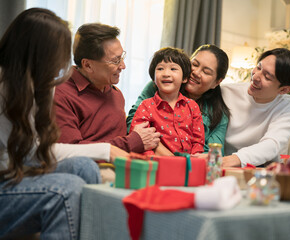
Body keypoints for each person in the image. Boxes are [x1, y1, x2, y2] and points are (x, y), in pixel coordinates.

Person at [0, 8, 130, 240]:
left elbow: (38, 149)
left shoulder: (39, 87)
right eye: (57, 54)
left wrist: (108, 151)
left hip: (16, 171)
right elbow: (31, 154)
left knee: (85, 167)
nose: (63, 63)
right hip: (6, 179)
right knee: (66, 189)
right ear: (37, 54)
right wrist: (107, 150)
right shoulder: (6, 87)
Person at [54, 23, 160, 153]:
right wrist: (133, 142)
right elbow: (70, 151)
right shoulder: (60, 94)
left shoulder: (116, 94)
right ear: (87, 65)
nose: (123, 65)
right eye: (115, 61)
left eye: (122, 57)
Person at [127, 44, 230, 156]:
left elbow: (213, 153)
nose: (195, 72)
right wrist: (168, 156)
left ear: (217, 82)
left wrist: (187, 163)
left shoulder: (218, 115)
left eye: (206, 72)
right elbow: (134, 125)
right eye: (194, 64)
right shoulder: (158, 86)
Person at [221, 48, 290, 167]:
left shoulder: (288, 106)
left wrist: (236, 159)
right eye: (259, 67)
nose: (255, 77)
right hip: (224, 162)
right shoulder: (227, 92)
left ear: (284, 90)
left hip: (264, 168)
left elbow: (271, 144)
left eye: (267, 77)